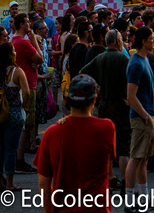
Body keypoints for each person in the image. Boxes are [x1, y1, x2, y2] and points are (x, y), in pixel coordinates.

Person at [35, 75, 116, 213]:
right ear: (94, 99)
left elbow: (44, 182)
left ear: (67, 99)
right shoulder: (107, 128)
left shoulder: (52, 133)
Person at [81, 29, 131, 190]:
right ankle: (125, 181)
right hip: (121, 105)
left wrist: (97, 89)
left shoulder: (100, 58)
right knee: (123, 145)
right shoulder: (124, 58)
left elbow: (82, 73)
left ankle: (110, 178)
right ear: (117, 41)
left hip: (104, 105)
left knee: (107, 143)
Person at [126, 26, 154, 208]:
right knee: (136, 158)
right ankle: (130, 201)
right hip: (141, 117)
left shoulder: (143, 60)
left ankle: (143, 198)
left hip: (147, 116)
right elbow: (131, 96)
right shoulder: (136, 63)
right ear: (144, 41)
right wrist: (146, 116)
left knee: (143, 159)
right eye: (152, 38)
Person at [10, 13, 43, 174]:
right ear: (22, 24)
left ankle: (18, 158)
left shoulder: (14, 41)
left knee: (23, 122)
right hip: (28, 84)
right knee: (25, 123)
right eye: (28, 22)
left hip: (22, 83)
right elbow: (40, 59)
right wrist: (35, 41)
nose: (30, 24)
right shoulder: (23, 42)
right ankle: (20, 160)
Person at [0, 42, 29, 191]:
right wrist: (22, 105)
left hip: (0, 113)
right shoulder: (17, 72)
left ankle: (0, 181)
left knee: (0, 148)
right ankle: (10, 183)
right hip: (14, 113)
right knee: (11, 149)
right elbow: (27, 92)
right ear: (11, 55)